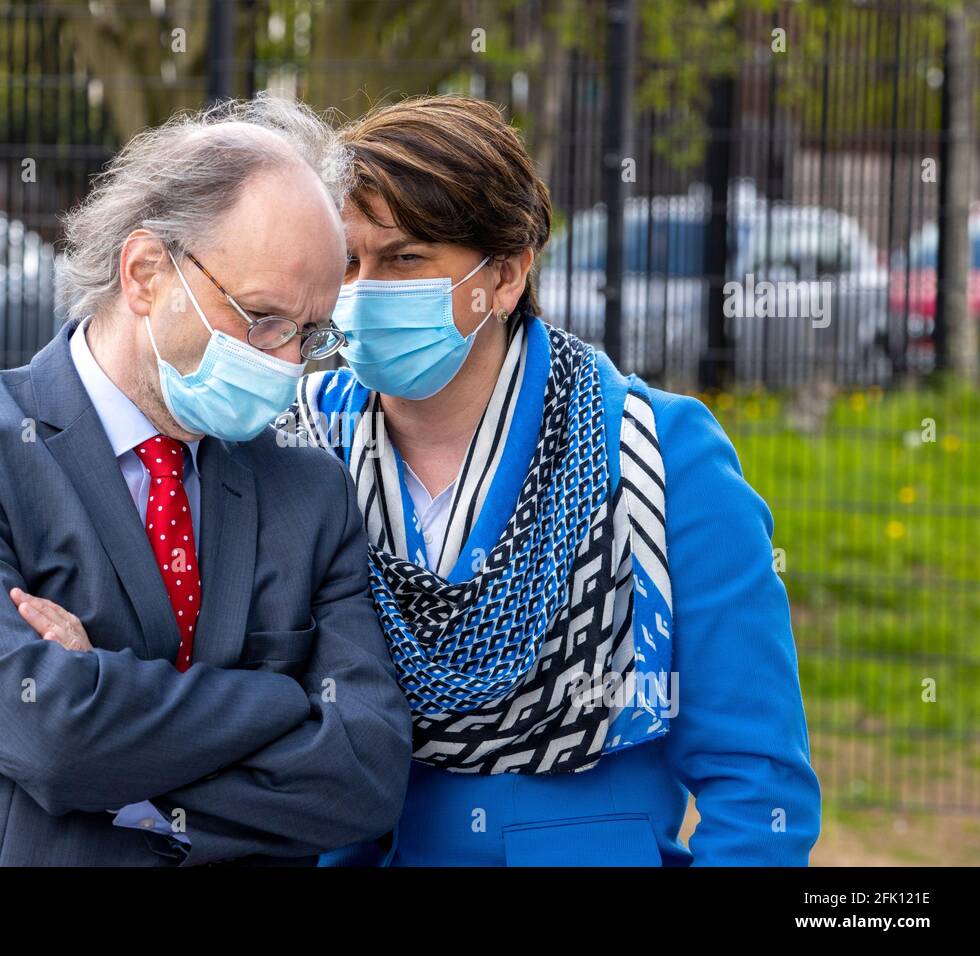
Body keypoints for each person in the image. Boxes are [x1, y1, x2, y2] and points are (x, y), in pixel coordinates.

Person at [0, 95, 412, 866]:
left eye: (311, 334)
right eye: (262, 319)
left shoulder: (309, 497)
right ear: (147, 271)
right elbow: (50, 737)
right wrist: (282, 702)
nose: (287, 363)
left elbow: (365, 773)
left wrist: (115, 732)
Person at [283, 94, 822, 865]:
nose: (363, 291)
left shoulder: (660, 453)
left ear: (504, 275)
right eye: (347, 261)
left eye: (404, 258)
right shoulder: (296, 448)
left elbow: (758, 783)